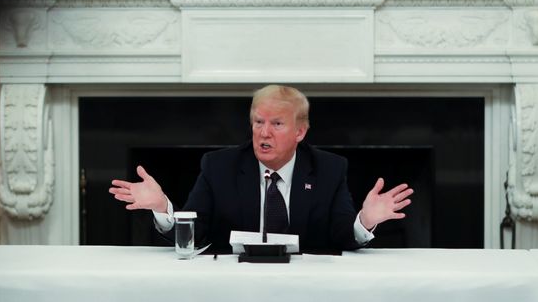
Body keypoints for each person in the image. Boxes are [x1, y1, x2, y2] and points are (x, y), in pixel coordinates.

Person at [109, 85, 413, 253]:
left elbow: (342, 236)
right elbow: (195, 234)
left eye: (277, 124)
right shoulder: (219, 166)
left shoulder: (329, 169)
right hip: (234, 293)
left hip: (307, 292)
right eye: (258, 122)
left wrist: (366, 221)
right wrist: (162, 207)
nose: (263, 133)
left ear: (300, 132)